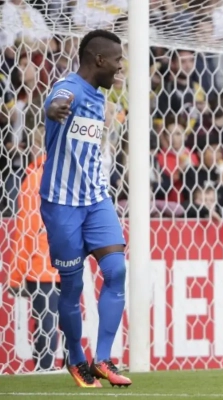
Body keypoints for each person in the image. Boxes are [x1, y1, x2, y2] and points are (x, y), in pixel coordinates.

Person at [40, 29, 131, 388]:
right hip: (62, 204)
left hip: (95, 199)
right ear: (98, 60)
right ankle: (76, 358)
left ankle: (103, 358)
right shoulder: (70, 89)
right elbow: (56, 100)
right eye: (117, 60)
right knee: (73, 285)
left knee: (116, 270)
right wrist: (53, 109)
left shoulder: (97, 96)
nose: (120, 67)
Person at [9, 126, 61, 371]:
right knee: (69, 328)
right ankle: (76, 376)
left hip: (42, 268)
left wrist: (15, 276)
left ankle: (44, 374)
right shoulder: (68, 175)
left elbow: (25, 232)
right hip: (68, 265)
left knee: (46, 329)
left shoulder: (34, 179)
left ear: (34, 147)